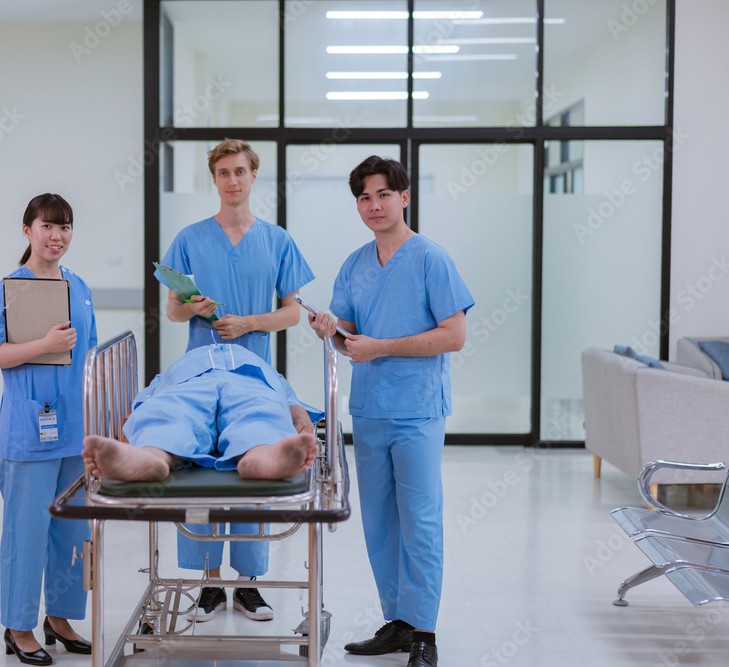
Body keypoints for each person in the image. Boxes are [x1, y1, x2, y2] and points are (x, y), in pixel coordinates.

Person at [308, 156, 474, 667]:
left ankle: (424, 630)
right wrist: (330, 332)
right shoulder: (355, 264)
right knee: (379, 522)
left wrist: (381, 348)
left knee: (420, 518)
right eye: (364, 197)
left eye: (383, 195)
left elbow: (454, 335)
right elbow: (351, 339)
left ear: (404, 197)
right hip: (371, 411)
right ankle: (398, 621)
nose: (374, 205)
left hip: (418, 411)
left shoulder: (430, 259)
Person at [156, 138, 316, 623]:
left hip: (253, 373)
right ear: (214, 180)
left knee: (251, 464)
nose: (232, 180)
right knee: (204, 468)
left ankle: (247, 585)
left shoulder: (276, 240)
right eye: (223, 172)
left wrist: (247, 323)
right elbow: (171, 311)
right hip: (201, 370)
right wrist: (194, 307)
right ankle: (207, 583)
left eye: (240, 171)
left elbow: (292, 313)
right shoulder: (189, 238)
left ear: (253, 176)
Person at [0, 193, 96, 666]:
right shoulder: (12, 288)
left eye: (65, 227)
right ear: (27, 230)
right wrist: (42, 344)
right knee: (27, 533)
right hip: (30, 430)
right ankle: (19, 626)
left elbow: (88, 358)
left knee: (72, 531)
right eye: (47, 227)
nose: (57, 237)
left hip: (75, 427)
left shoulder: (80, 285)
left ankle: (61, 618)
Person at [82, 342, 320, 483]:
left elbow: (284, 396)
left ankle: (261, 456)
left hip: (250, 381)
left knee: (260, 410)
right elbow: (155, 393)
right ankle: (151, 456)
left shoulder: (263, 367)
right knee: (172, 411)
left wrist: (298, 415)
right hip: (189, 381)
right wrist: (137, 418)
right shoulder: (180, 366)